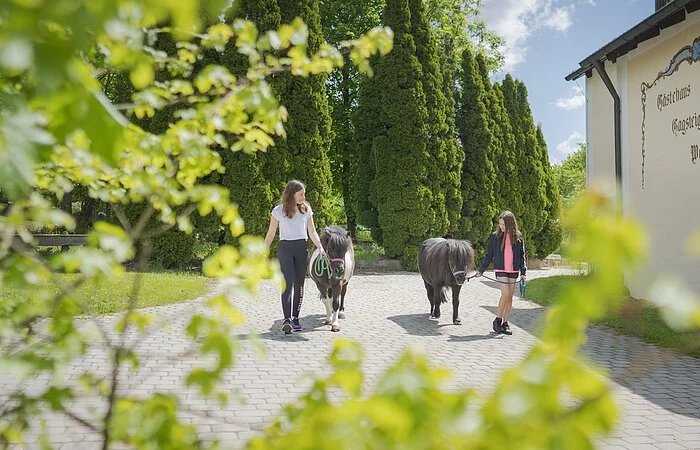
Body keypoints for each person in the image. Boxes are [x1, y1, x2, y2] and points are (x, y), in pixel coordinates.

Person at [264, 180, 326, 334]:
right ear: (291, 194)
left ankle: (295, 318)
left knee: (299, 285)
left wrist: (319, 245)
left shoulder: (306, 210)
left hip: (301, 249)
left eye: (303, 194)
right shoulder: (278, 211)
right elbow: (271, 232)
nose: (303, 197)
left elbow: (312, 231)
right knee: (287, 284)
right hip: (285, 248)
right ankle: (287, 320)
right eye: (301, 194)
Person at [475, 211, 527, 335]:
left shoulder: (518, 237)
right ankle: (498, 319)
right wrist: (481, 270)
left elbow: (522, 256)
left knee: (510, 297)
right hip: (501, 269)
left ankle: (505, 323)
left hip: (513, 270)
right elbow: (489, 255)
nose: (501, 227)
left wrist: (523, 272)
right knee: (506, 294)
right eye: (500, 224)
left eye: (504, 225)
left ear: (510, 224)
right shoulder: (495, 237)